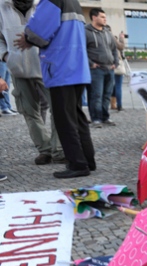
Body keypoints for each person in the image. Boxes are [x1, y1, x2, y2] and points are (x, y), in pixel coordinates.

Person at [17, 0, 97, 178]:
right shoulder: (73, 2)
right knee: (77, 116)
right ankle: (87, 160)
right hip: (77, 67)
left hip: (60, 67)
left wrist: (27, 38)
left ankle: (77, 164)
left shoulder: (52, 0)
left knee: (64, 119)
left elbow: (39, 31)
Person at [0, 0, 64, 165]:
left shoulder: (44, 5)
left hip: (46, 67)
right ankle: (45, 150)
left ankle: (59, 150)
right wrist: (7, 57)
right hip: (18, 70)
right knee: (29, 112)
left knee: (58, 109)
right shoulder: (2, 7)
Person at [85, 8, 118, 128]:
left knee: (107, 95)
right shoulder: (86, 32)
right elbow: (81, 51)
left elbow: (114, 49)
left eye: (105, 17)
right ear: (94, 17)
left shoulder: (107, 32)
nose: (105, 19)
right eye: (102, 17)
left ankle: (105, 117)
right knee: (96, 95)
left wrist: (116, 63)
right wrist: (91, 64)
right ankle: (96, 119)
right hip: (95, 70)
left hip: (109, 69)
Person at [111, 31, 126, 112]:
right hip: (117, 64)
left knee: (111, 86)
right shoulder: (112, 38)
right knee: (118, 86)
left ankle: (112, 104)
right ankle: (119, 105)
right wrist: (121, 38)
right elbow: (121, 46)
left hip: (106, 63)